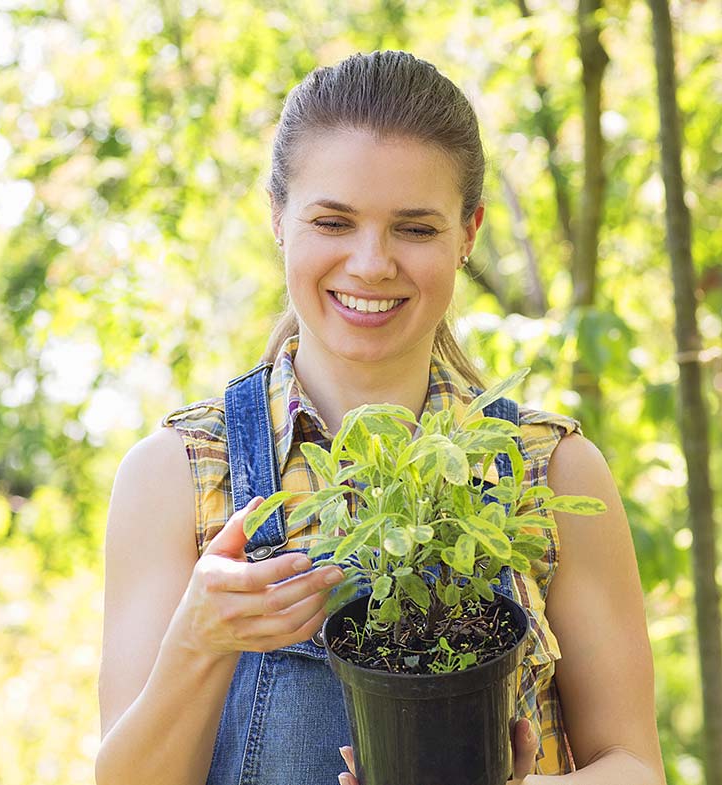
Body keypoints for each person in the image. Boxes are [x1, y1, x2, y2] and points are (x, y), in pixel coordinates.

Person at [95, 50, 664, 785]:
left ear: (468, 233)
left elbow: (633, 765)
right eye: (333, 220)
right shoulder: (179, 473)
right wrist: (199, 641)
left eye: (415, 229)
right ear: (278, 218)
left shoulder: (546, 471)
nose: (370, 263)